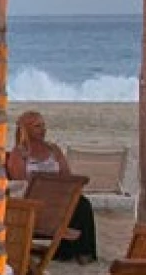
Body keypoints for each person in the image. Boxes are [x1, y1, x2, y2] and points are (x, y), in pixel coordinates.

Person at [6, 110, 97, 263]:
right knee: (76, 205)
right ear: (26, 129)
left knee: (82, 203)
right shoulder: (19, 154)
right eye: (37, 126)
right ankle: (66, 250)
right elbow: (20, 182)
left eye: (43, 125)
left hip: (58, 198)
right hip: (34, 201)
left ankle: (82, 252)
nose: (43, 130)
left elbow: (67, 175)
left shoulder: (53, 150)